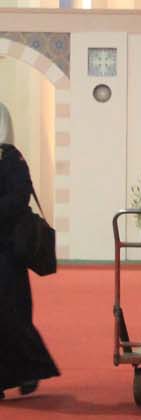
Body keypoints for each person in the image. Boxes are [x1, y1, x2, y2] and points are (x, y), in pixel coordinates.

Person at [0, 144, 59, 398]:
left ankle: (28, 369)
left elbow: (20, 196)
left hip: (7, 251)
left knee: (12, 316)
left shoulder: (9, 157)